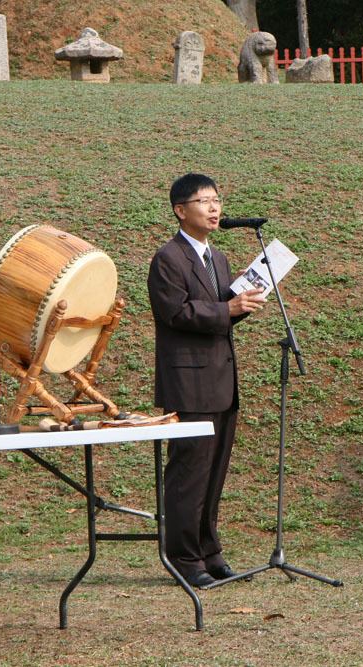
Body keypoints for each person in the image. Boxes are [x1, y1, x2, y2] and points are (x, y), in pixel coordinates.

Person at [147, 173, 265, 588]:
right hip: (189, 383)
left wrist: (243, 303)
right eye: (204, 201)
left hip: (222, 379)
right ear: (181, 210)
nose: (215, 208)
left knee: (214, 472)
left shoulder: (218, 259)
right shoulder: (168, 258)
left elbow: (220, 312)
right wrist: (227, 310)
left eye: (217, 200)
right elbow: (175, 313)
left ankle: (209, 552)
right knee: (189, 472)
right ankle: (183, 558)